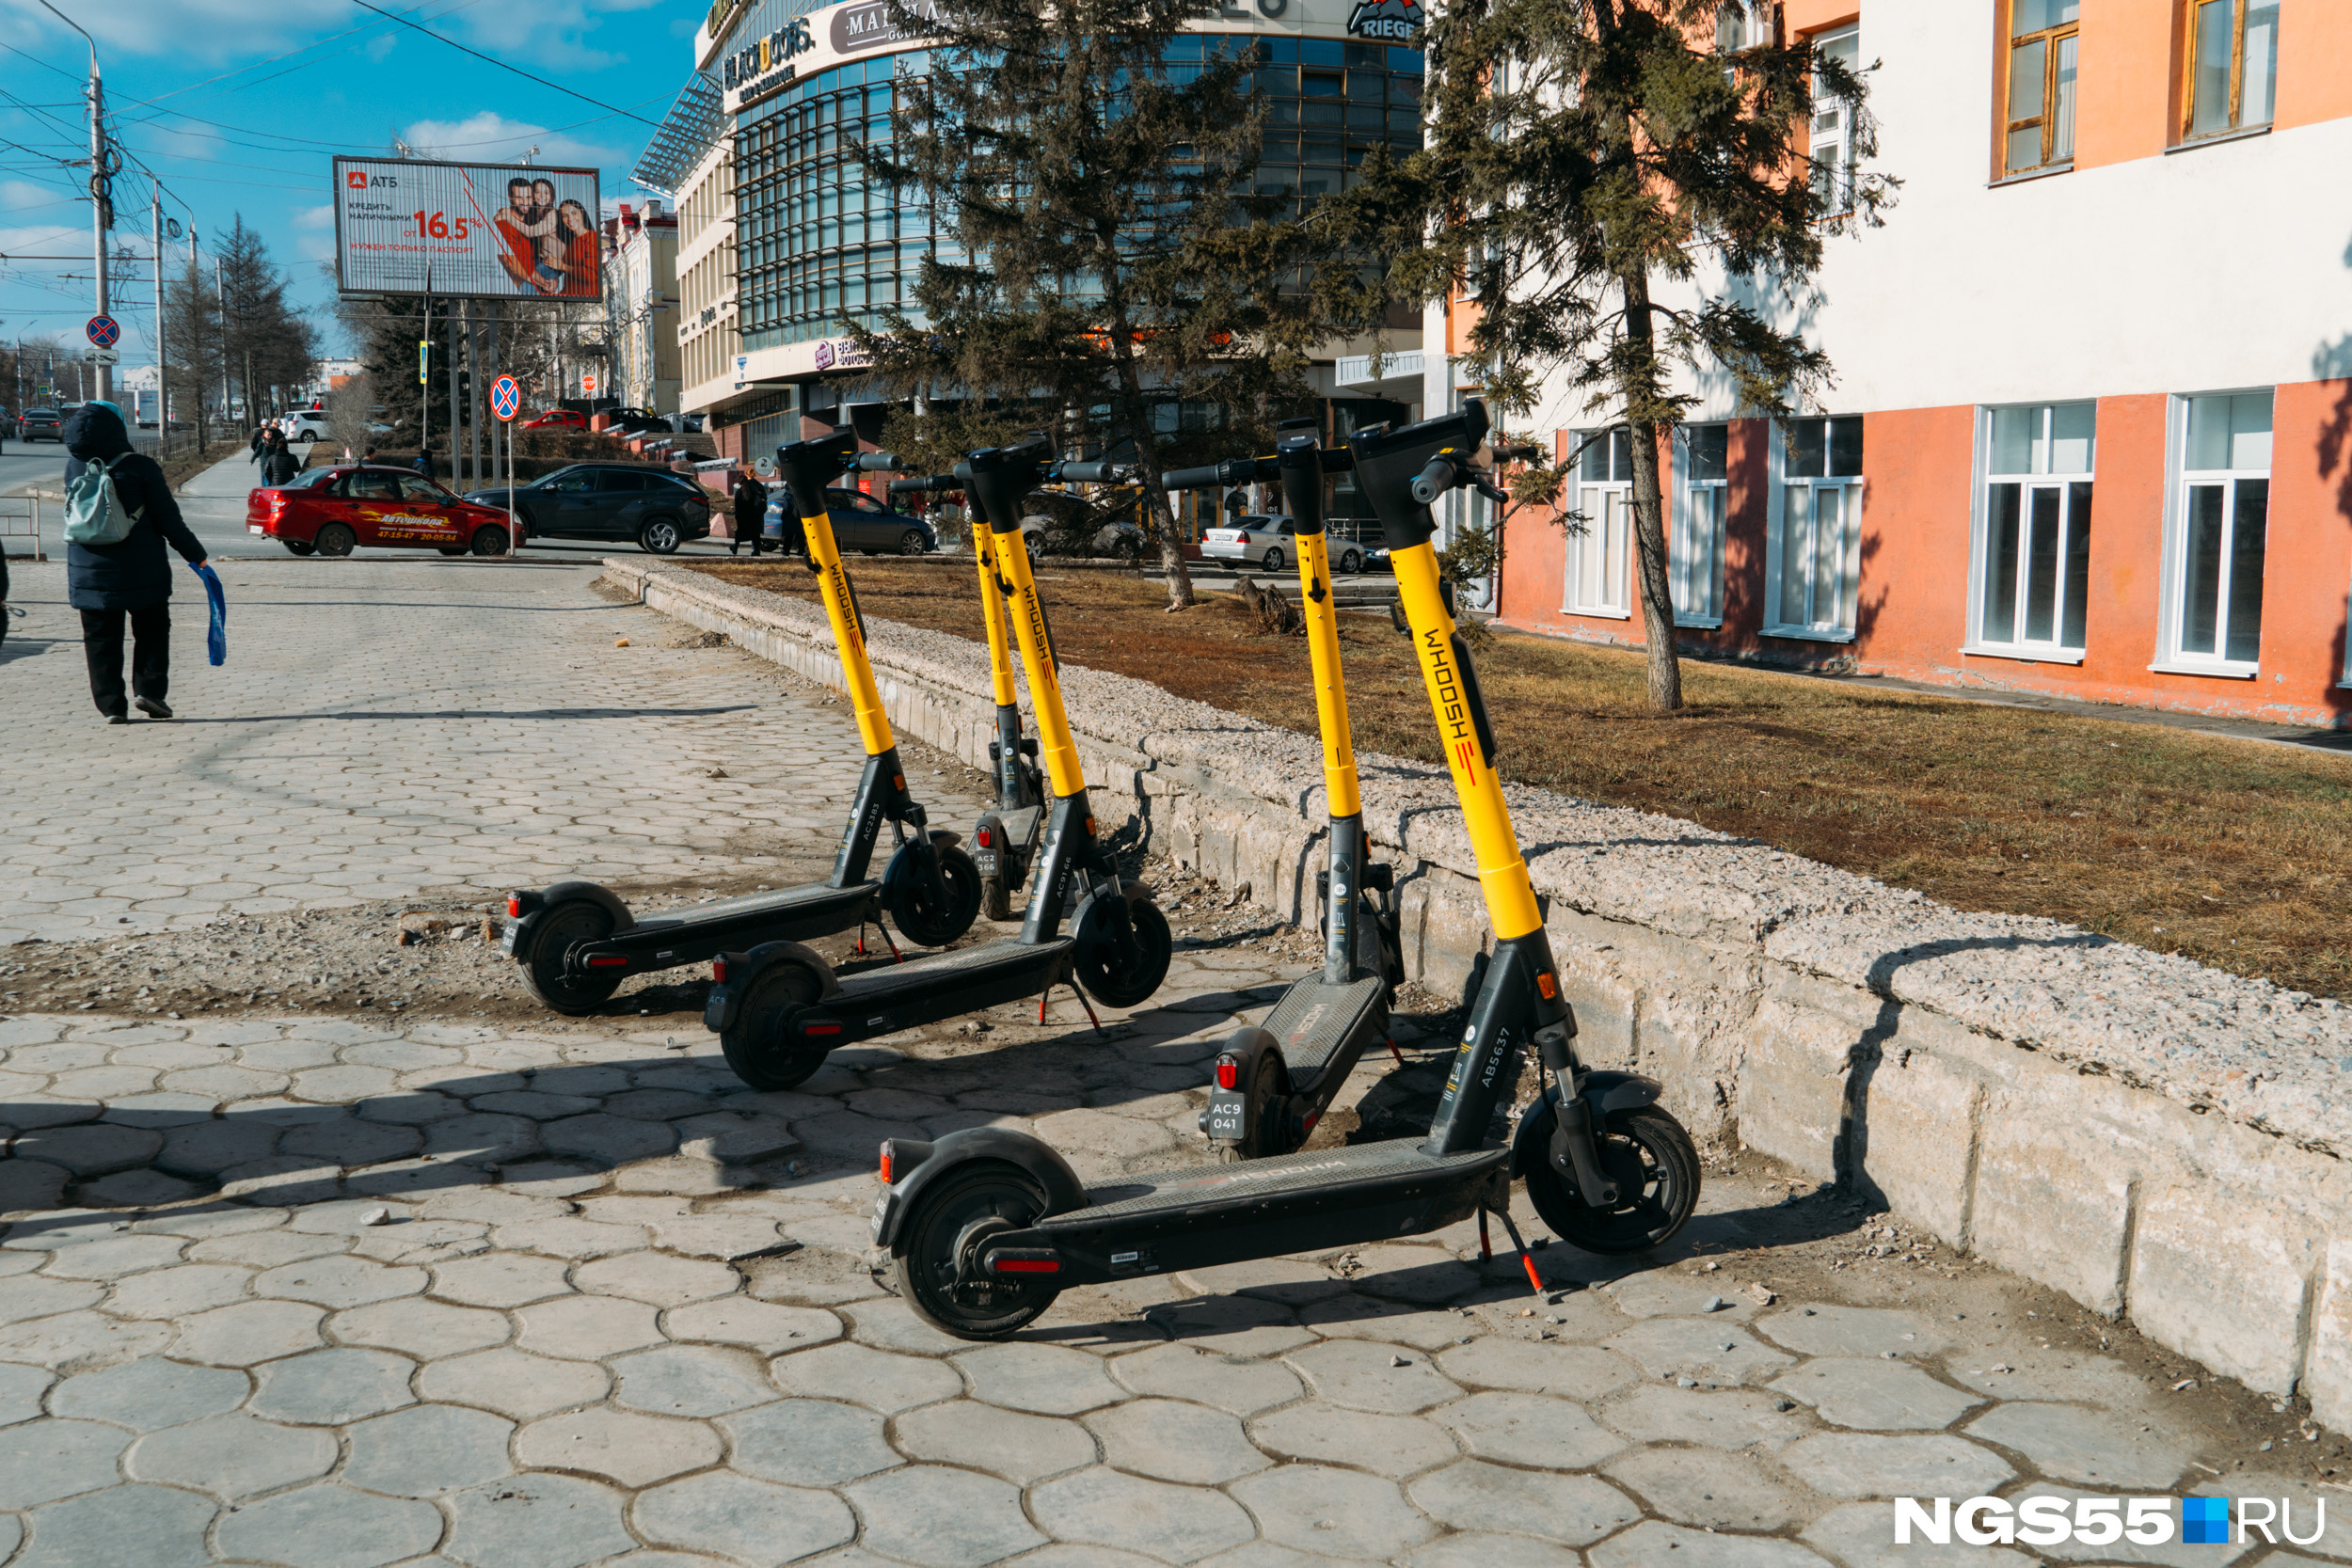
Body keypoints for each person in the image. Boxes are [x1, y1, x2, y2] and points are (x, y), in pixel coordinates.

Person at [63, 401, 208, 722]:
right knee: (152, 631)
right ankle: (150, 691)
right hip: (143, 570)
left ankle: (111, 706)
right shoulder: (140, 466)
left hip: (89, 573)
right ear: (117, 428)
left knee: (100, 640)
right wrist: (196, 556)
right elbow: (168, 519)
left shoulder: (74, 467)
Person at [728, 468, 769, 557]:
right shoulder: (758, 486)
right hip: (755, 515)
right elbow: (764, 499)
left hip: (743, 516)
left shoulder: (740, 492)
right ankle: (756, 551)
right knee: (755, 533)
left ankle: (735, 547)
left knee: (740, 532)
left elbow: (737, 506)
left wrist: (737, 516)